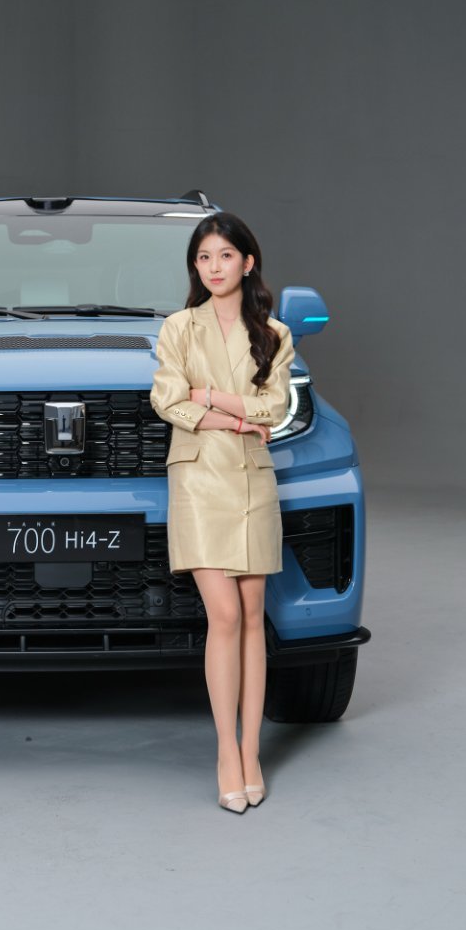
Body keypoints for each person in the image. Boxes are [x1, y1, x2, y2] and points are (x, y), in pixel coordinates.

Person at [150, 211, 296, 813]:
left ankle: (252, 751)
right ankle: (225, 752)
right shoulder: (179, 327)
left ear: (248, 262)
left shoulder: (274, 334)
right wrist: (236, 417)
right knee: (226, 614)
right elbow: (167, 400)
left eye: (225, 256)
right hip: (198, 479)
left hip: (251, 481)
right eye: (204, 257)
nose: (214, 267)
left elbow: (275, 408)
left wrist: (208, 396)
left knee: (254, 615)